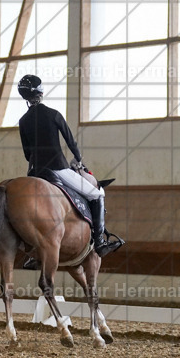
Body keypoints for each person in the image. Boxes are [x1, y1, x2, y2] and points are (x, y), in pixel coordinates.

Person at [17, 74, 123, 257]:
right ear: (41, 92)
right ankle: (99, 242)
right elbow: (70, 141)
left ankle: (32, 253)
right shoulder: (53, 114)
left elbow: (27, 154)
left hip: (34, 172)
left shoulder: (23, 121)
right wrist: (78, 159)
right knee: (97, 195)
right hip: (57, 168)